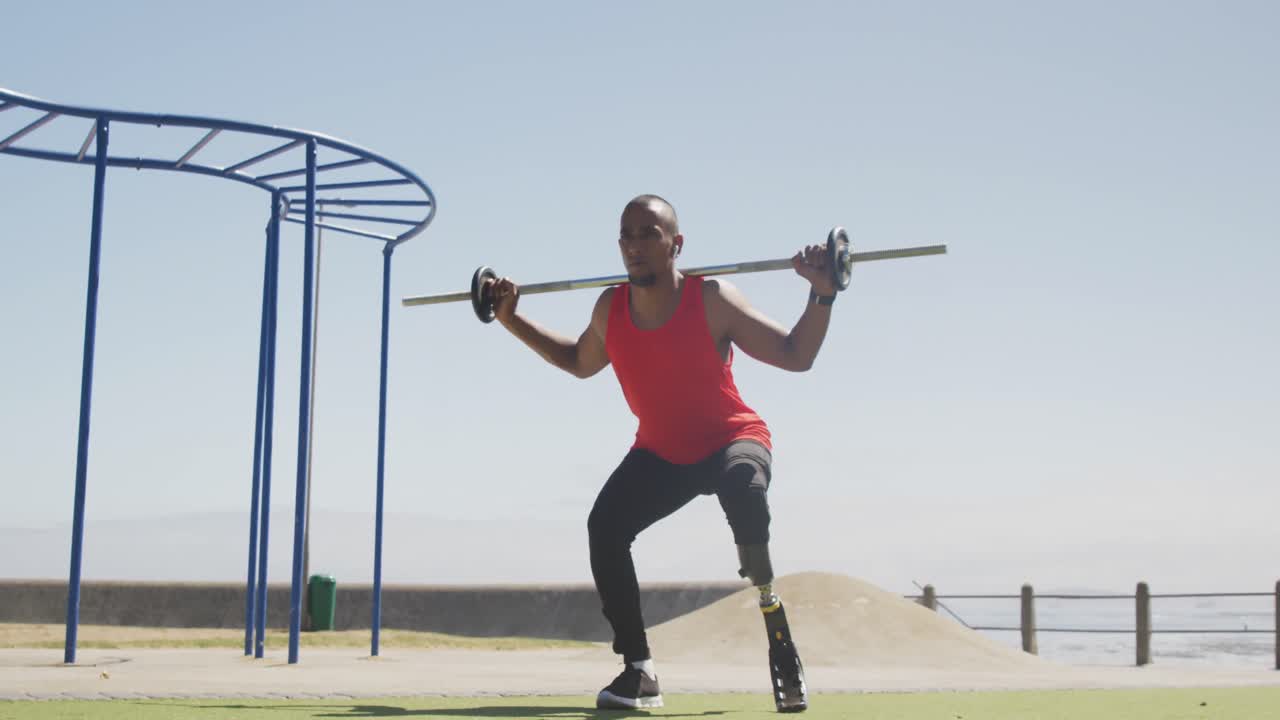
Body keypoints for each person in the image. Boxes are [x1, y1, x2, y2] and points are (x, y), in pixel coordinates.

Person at [488, 194, 835, 711]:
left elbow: (795, 354)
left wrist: (822, 294)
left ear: (676, 244)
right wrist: (511, 318)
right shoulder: (610, 308)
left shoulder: (712, 298)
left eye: (649, 234)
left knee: (744, 488)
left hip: (731, 440)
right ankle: (639, 670)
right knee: (604, 528)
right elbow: (580, 362)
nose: (635, 246)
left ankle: (766, 597)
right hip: (662, 453)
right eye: (627, 235)